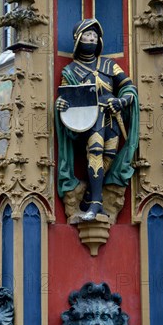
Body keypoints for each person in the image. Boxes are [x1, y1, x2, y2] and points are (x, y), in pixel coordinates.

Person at [55, 18, 139, 221]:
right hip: (90, 119)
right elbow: (67, 97)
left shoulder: (110, 65)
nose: (91, 38)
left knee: (108, 155)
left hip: (112, 116)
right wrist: (61, 104)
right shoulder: (70, 71)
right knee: (95, 152)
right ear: (78, 40)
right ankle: (95, 205)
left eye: (94, 35)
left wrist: (122, 101)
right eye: (87, 35)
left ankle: (93, 197)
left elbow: (129, 87)